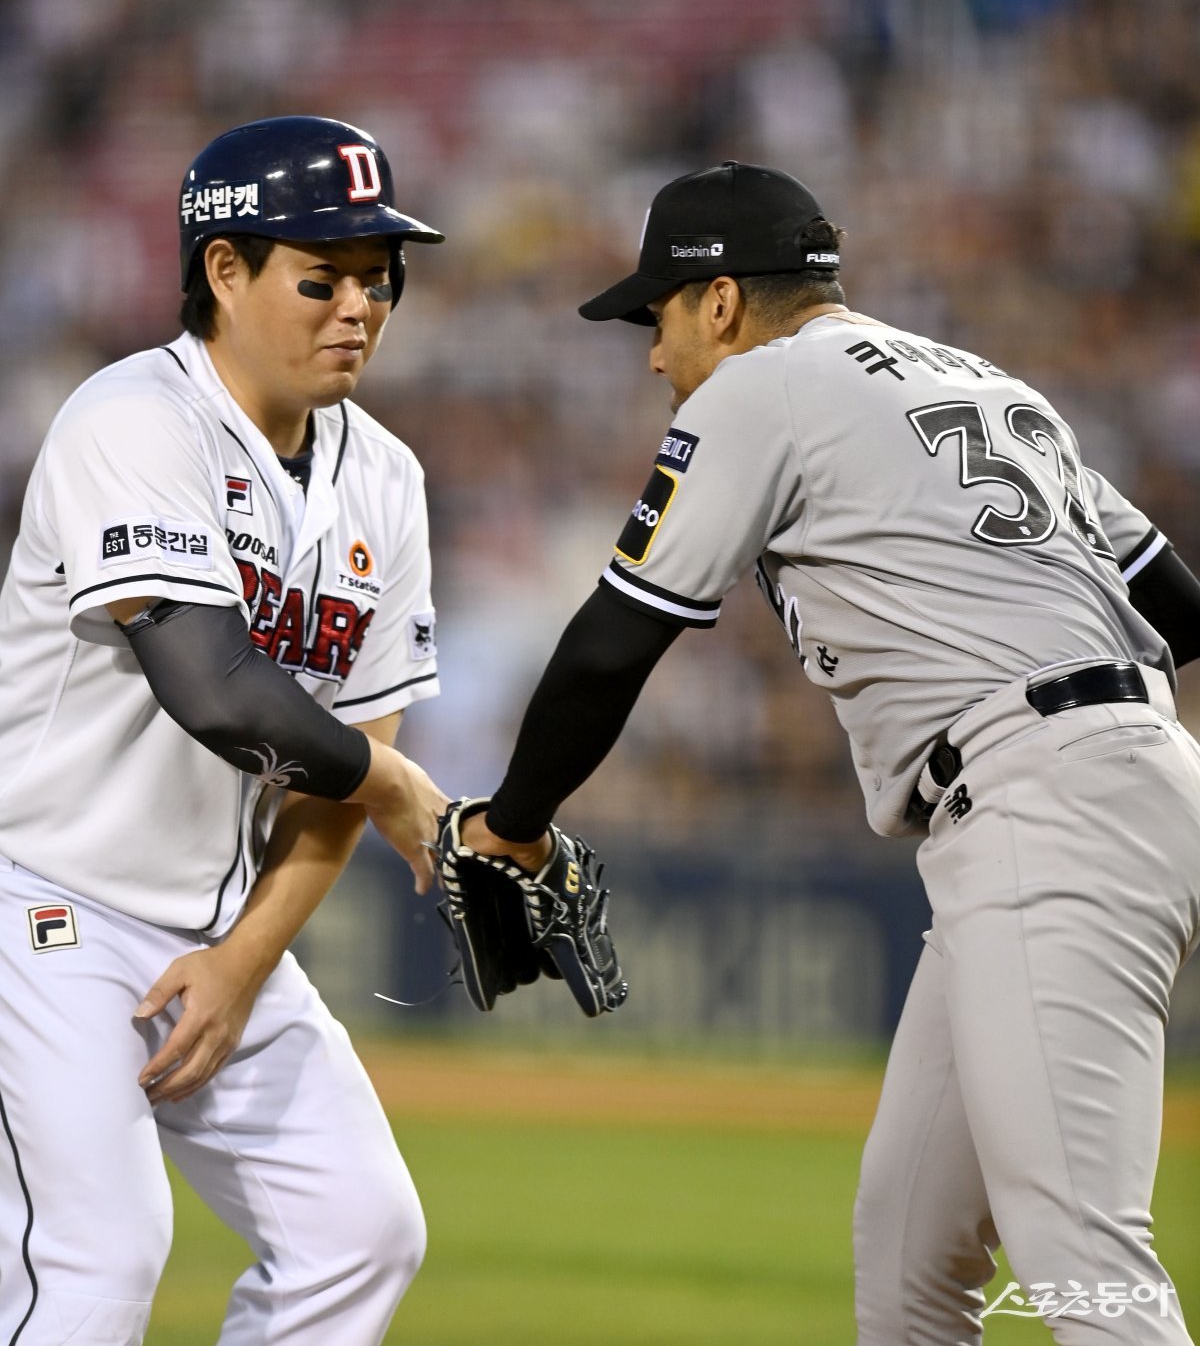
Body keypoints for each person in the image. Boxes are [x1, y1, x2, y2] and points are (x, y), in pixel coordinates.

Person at [461, 161, 1200, 1344]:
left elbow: (613, 642)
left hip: (1047, 803)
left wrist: (510, 822)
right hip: (1103, 778)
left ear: (719, 301)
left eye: (657, 317)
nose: (654, 356)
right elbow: (1178, 604)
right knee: (910, 1254)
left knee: (1083, 1256)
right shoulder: (982, 381)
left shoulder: (762, 384)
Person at [0, 116, 450, 1344]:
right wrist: (394, 783)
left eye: (379, 277)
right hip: (40, 901)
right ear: (225, 270)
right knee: (98, 1256)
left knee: (359, 1233)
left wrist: (246, 961)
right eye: (323, 275)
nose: (359, 306)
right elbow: (214, 688)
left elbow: (338, 777)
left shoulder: (386, 479)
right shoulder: (132, 419)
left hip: (210, 927)